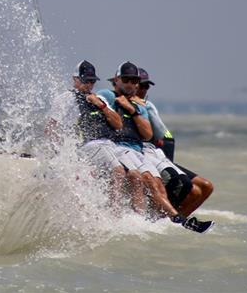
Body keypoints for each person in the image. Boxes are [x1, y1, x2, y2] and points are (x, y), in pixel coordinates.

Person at [46, 60, 145, 211]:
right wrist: (60, 153)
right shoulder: (64, 99)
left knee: (136, 175)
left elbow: (118, 124)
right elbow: (50, 129)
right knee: (117, 170)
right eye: (86, 81)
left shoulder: (100, 99)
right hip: (88, 145)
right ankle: (114, 213)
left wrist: (101, 105)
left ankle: (138, 217)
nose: (89, 85)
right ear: (75, 79)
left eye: (92, 81)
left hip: (109, 145)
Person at [96, 61, 180, 218]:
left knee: (160, 185)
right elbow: (96, 100)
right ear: (116, 80)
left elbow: (148, 135)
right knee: (141, 178)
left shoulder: (138, 106)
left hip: (137, 151)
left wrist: (132, 110)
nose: (130, 84)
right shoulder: (108, 95)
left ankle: (159, 222)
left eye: (134, 81)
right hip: (116, 148)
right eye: (126, 80)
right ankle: (146, 219)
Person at [137, 67, 214, 225]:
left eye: (146, 86)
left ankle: (172, 224)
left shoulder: (147, 106)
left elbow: (166, 136)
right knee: (190, 189)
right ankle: (168, 220)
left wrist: (165, 153)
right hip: (140, 157)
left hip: (159, 156)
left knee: (206, 187)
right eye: (141, 85)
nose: (144, 90)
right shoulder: (121, 103)